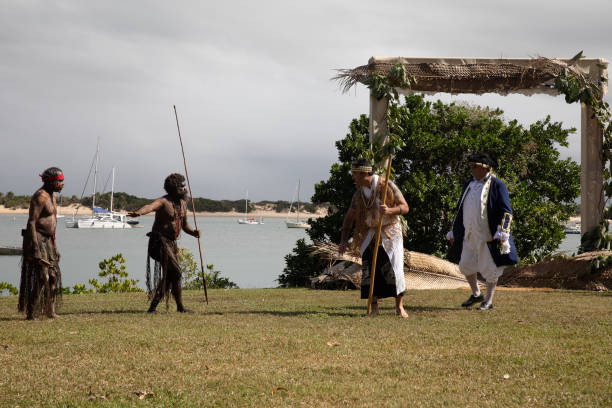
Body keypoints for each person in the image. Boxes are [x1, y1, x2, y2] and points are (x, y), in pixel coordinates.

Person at [446, 153, 518, 310]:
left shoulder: (498, 185)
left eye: (475, 166)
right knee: (465, 264)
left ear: (485, 168)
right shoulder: (469, 185)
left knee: (490, 268)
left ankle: (489, 300)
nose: (471, 170)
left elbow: (507, 211)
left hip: (487, 235)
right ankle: (476, 294)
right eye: (471, 166)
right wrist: (453, 230)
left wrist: (503, 232)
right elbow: (460, 209)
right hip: (469, 234)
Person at [339, 158, 410, 317]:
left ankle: (399, 307)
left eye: (355, 174)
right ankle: (374, 307)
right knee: (370, 269)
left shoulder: (387, 186)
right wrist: (344, 240)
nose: (353, 177)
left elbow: (405, 207)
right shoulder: (358, 194)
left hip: (390, 231)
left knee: (395, 268)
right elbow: (349, 218)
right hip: (369, 232)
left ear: (364, 173)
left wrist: (390, 211)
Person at [128, 173, 201, 313]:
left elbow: (185, 226)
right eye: (181, 187)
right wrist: (139, 213)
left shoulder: (184, 204)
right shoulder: (163, 202)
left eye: (185, 186)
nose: (185, 189)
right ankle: (166, 307)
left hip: (172, 244)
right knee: (176, 272)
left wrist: (194, 233)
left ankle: (175, 307)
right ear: (173, 188)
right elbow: (150, 206)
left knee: (173, 275)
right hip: (159, 242)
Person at [19, 167, 65, 320]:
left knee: (52, 276)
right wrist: (36, 248)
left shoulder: (53, 197)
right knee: (41, 277)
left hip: (48, 240)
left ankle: (50, 311)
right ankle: (31, 312)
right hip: (37, 239)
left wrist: (55, 246)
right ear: (51, 182)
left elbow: (52, 223)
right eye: (60, 181)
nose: (62, 184)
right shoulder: (40, 197)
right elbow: (32, 222)